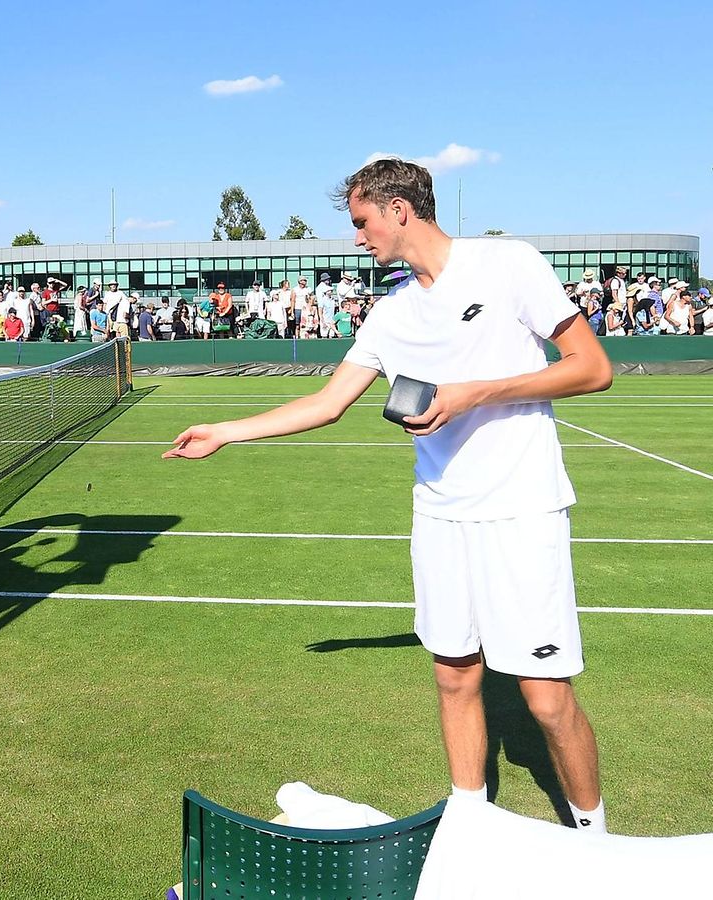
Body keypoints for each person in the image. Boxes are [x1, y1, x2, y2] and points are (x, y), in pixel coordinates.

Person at [164, 158, 612, 832]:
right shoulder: (389, 315)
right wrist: (224, 431)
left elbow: (592, 368)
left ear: (398, 210)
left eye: (361, 221)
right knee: (454, 676)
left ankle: (595, 843)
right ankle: (467, 829)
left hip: (522, 510)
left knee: (546, 698)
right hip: (439, 515)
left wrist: (471, 394)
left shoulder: (508, 264)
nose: (357, 237)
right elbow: (327, 401)